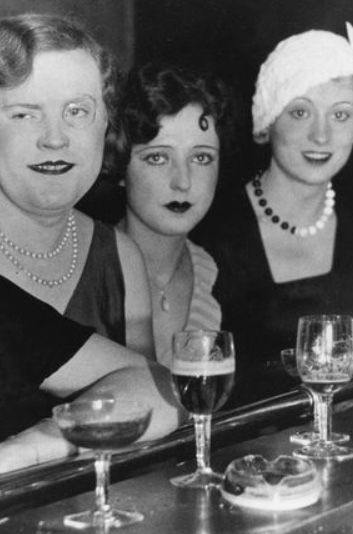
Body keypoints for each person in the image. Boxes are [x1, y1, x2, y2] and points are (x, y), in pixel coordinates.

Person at [0, 13, 185, 471]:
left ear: (106, 124)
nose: (55, 138)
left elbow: (150, 412)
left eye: (77, 111)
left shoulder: (118, 255)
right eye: (24, 113)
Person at [193, 24, 353, 405]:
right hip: (246, 452)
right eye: (300, 112)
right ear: (266, 124)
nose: (321, 136)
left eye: (341, 115)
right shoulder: (211, 231)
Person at [116, 63, 236, 367]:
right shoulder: (87, 271)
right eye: (157, 157)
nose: (183, 181)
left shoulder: (216, 272)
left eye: (201, 157)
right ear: (118, 166)